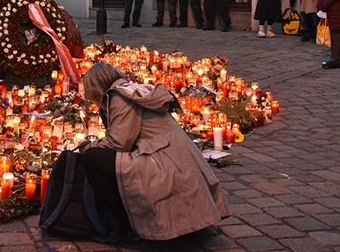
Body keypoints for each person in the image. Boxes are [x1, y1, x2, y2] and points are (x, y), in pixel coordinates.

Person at [79, 63, 229, 241]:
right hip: (176, 158)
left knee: (93, 159)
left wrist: (89, 147)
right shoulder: (133, 89)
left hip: (161, 163)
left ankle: (121, 226)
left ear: (96, 87)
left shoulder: (119, 97)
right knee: (102, 158)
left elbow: (119, 143)